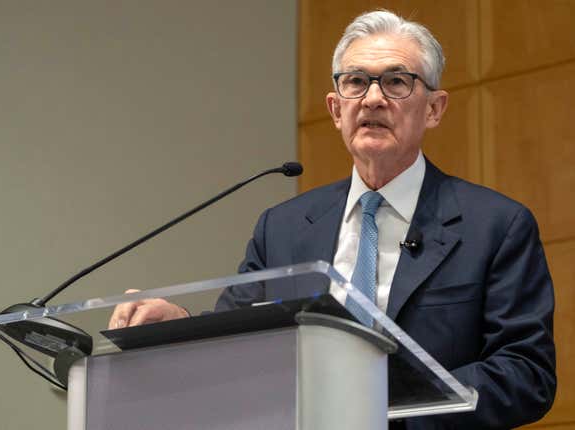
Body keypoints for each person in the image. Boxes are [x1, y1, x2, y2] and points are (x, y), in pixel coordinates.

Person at [109, 10, 556, 429]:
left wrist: (385, 402)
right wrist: (178, 325)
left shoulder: (495, 225)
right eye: (356, 82)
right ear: (335, 108)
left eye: (397, 82)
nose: (373, 99)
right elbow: (237, 343)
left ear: (435, 108)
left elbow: (525, 372)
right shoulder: (281, 229)